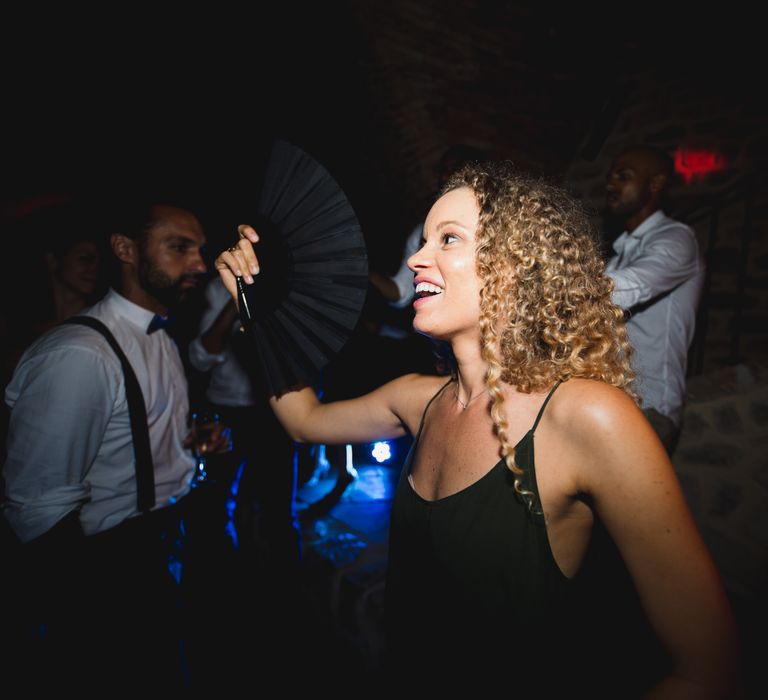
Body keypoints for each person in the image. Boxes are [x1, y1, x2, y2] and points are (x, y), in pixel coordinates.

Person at [216, 160, 741, 696]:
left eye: (448, 239)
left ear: (514, 266)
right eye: (423, 241)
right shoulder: (417, 398)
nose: (417, 259)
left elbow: (707, 667)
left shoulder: (587, 417)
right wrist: (255, 303)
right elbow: (303, 421)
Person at [2, 200, 231, 690]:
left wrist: (188, 440)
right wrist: (89, 604)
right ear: (125, 249)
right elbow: (37, 508)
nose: (200, 264)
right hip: (111, 568)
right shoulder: (79, 355)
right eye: (179, 247)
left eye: (201, 250)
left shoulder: (160, 336)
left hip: (168, 542)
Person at [188, 275, 301, 571]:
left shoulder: (283, 285)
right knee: (216, 508)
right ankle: (229, 582)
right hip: (227, 410)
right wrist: (234, 302)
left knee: (279, 510)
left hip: (276, 411)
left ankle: (287, 587)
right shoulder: (215, 288)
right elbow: (201, 358)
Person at [604, 145, 705, 454]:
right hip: (611, 402)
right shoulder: (620, 253)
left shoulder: (677, 238)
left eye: (624, 176)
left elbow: (625, 289)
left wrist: (552, 283)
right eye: (611, 176)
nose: (611, 184)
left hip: (648, 409)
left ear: (655, 184)